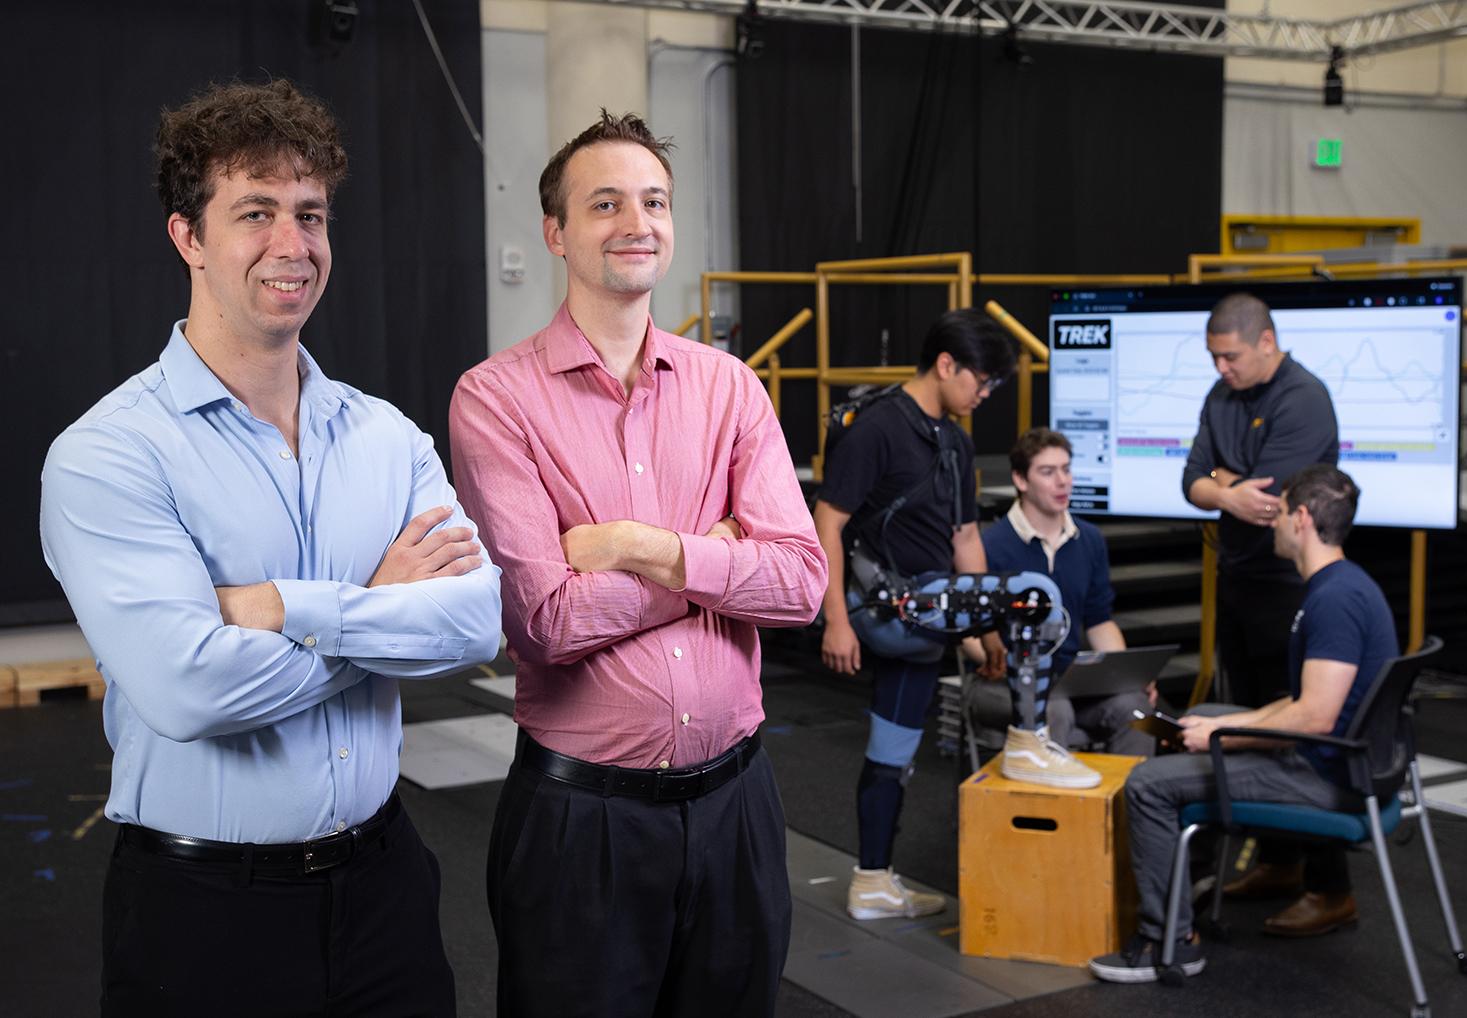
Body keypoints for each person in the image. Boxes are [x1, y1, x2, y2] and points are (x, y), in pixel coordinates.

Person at [39, 79, 503, 1016]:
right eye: (255, 211)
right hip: (202, 916)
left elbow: (477, 623)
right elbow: (189, 690)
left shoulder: (387, 438)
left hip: (387, 889)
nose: (293, 246)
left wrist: (289, 608)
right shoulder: (108, 453)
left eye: (311, 214)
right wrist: (378, 602)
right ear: (189, 238)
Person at [449, 110, 826, 1018]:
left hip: (739, 805)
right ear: (556, 232)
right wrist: (714, 564)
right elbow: (543, 623)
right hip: (586, 823)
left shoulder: (730, 386)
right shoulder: (496, 399)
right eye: (605, 202)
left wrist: (635, 549)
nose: (636, 222)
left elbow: (802, 585)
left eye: (653, 201)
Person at [1089, 465, 1397, 983]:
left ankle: (1169, 941)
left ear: (1300, 519)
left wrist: (1226, 735)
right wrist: (1225, 722)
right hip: (1344, 763)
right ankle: (1183, 883)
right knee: (1205, 716)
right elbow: (1304, 701)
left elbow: (1315, 717)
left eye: (1277, 514)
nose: (1270, 524)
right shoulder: (1343, 584)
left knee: (1145, 785)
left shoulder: (1334, 600)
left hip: (1324, 777)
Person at [815, 309, 1056, 923]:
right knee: (1036, 594)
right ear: (946, 365)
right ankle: (1028, 741)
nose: (985, 394)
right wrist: (835, 619)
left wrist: (985, 634)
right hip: (885, 606)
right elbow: (828, 524)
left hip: (928, 613)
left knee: (891, 749)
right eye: (982, 381)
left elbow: (966, 537)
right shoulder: (877, 428)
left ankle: (871, 882)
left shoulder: (954, 439)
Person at [1181, 291, 1342, 912]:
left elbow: (1270, 497)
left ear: (1267, 343)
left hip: (1288, 586)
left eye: (1231, 357)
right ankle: (1278, 862)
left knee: (1292, 728)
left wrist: (1218, 480)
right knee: (1247, 722)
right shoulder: (1220, 397)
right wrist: (1225, 487)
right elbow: (1191, 480)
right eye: (1214, 358)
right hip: (1238, 576)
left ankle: (1330, 888)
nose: (1222, 369)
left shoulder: (1305, 399)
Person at [981, 428, 1155, 757]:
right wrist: (1002, 660)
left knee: (1137, 708)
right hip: (1008, 682)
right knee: (1052, 709)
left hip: (1072, 679)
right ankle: (1050, 808)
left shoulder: (1089, 539)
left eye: (1066, 469)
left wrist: (1126, 675)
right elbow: (973, 634)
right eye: (1048, 472)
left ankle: (1127, 806)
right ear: (1020, 480)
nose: (1063, 481)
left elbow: (1099, 621)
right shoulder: (991, 545)